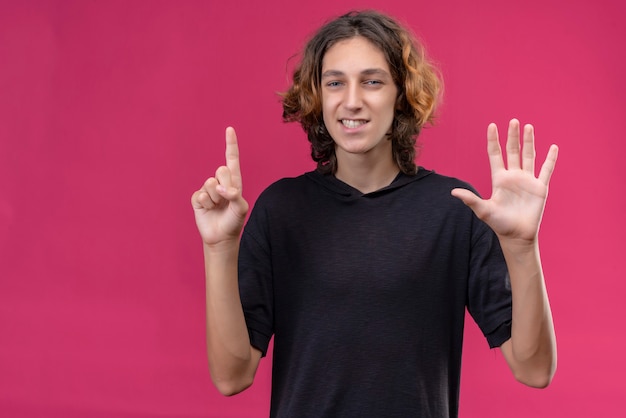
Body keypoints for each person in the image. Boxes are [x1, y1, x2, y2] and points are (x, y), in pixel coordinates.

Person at [191, 10, 557, 418]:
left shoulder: (454, 210)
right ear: (318, 95)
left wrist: (523, 249)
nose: (352, 100)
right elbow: (231, 376)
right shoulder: (281, 210)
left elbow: (535, 368)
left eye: (372, 81)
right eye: (335, 83)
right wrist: (220, 247)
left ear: (401, 94)